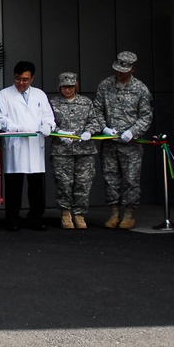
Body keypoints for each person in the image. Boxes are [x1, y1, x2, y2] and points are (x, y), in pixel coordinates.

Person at [93, 51, 153, 230]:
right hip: (110, 141)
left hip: (130, 144)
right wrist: (103, 128)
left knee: (131, 179)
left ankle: (129, 213)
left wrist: (133, 132)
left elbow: (146, 116)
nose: (119, 72)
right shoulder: (105, 85)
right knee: (111, 178)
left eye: (124, 70)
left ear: (133, 69)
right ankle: (114, 212)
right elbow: (96, 110)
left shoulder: (141, 89)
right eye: (117, 69)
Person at [0, 61, 56, 231]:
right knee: (14, 186)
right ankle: (12, 218)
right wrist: (16, 127)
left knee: (36, 185)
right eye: (18, 79)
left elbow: (48, 116)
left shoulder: (40, 95)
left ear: (32, 79)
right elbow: (1, 118)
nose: (21, 83)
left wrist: (47, 126)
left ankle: (35, 217)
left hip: (35, 144)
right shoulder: (4, 95)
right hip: (16, 144)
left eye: (25, 80)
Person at [50, 72, 103, 230]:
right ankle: (66, 213)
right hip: (62, 150)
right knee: (64, 183)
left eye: (71, 87)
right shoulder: (53, 103)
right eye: (65, 87)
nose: (68, 90)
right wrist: (59, 133)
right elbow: (48, 122)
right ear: (60, 87)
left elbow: (95, 121)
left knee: (83, 183)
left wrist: (89, 132)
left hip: (84, 150)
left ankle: (79, 213)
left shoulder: (85, 102)